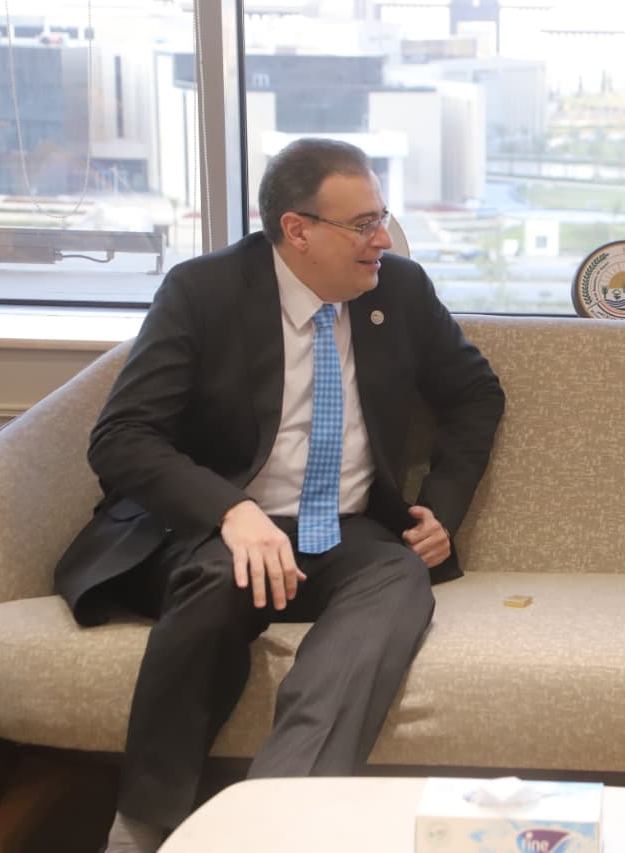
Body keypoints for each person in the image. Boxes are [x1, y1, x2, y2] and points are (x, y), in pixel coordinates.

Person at [53, 138, 505, 852]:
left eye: (382, 219)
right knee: (218, 578)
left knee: (398, 577)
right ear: (298, 229)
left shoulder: (400, 291)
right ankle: (144, 824)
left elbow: (475, 392)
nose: (383, 240)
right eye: (363, 224)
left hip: (347, 532)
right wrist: (231, 511)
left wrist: (440, 508)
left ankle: (273, 821)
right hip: (214, 528)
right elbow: (122, 437)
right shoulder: (204, 292)